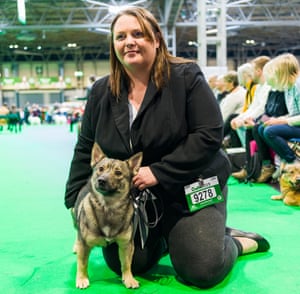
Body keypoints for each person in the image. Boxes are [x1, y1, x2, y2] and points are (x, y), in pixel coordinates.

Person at [64, 7, 270, 289]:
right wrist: (75, 199)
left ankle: (234, 241)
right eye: (121, 36)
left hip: (192, 183)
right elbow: (86, 146)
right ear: (113, 45)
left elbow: (209, 135)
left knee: (202, 269)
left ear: (156, 40)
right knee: (130, 263)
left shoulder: (186, 77)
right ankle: (170, 237)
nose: (129, 42)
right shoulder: (101, 90)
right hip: (136, 196)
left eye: (138, 34)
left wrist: (160, 171)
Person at [259, 53, 300, 175]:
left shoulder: (298, 86)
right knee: (262, 128)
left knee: (270, 131)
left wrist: (282, 121)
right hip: (296, 125)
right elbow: (294, 113)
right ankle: (284, 160)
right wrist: (277, 119)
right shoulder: (289, 87)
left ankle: (292, 163)